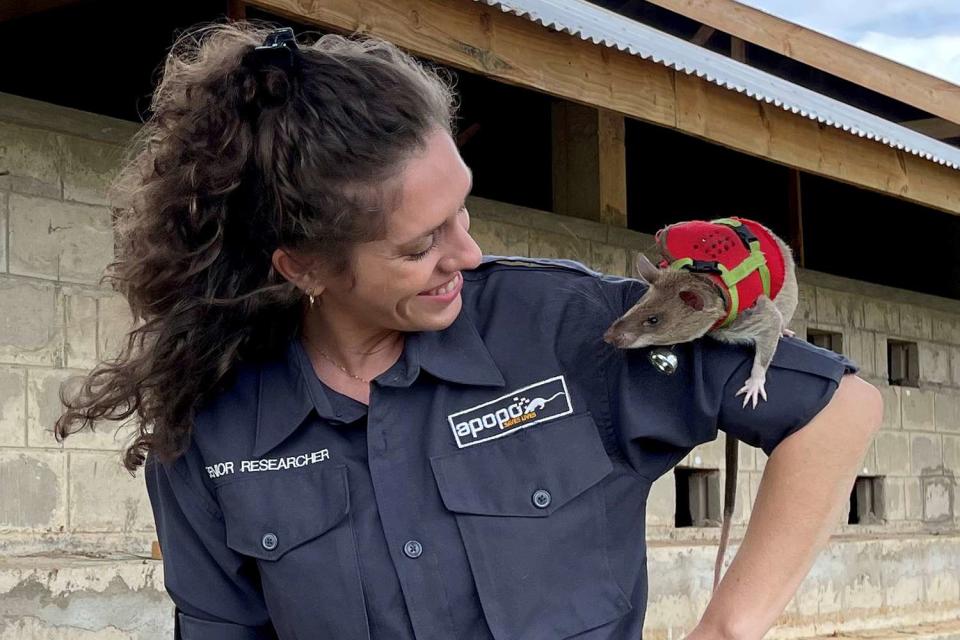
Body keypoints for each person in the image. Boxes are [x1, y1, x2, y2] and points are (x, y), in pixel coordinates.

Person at [55, 21, 883, 640]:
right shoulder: (216, 427)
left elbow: (838, 410)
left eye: (462, 209)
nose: (470, 252)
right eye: (420, 246)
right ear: (303, 266)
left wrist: (727, 628)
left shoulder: (567, 329)